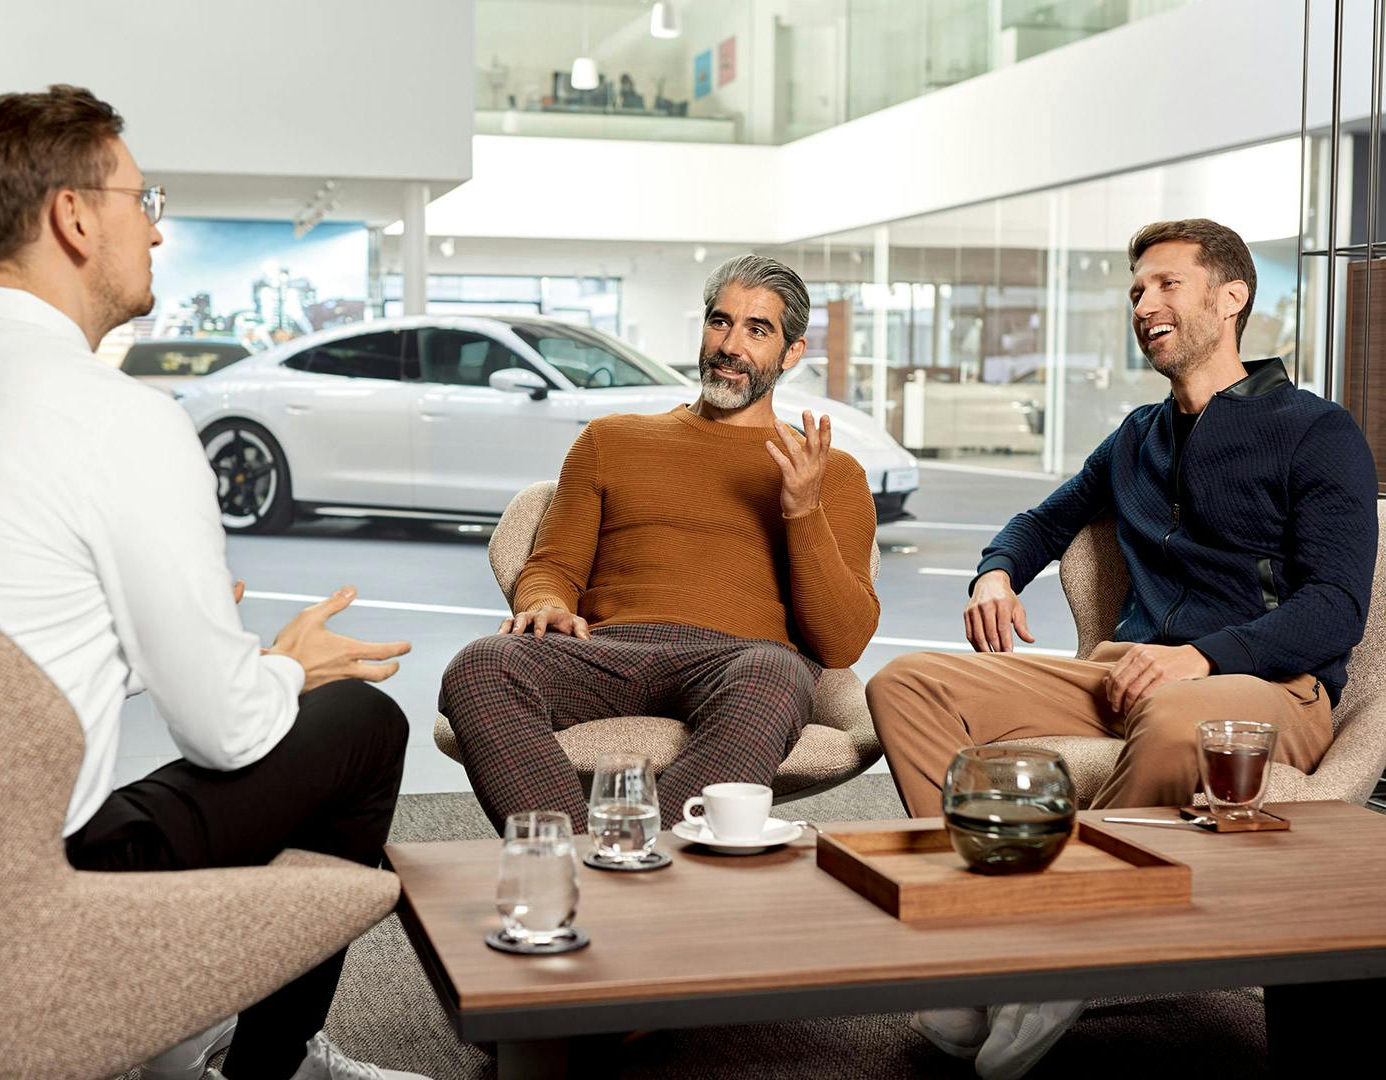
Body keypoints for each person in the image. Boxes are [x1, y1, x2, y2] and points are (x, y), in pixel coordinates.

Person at [0, 86, 425, 1080]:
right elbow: (228, 731)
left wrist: (119, 641)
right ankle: (266, 1063)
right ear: (74, 217)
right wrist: (285, 665)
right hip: (26, 895)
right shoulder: (118, 419)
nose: (157, 232)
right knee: (360, 726)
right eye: (140, 196)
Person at [866, 218, 1378, 1079]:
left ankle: (1065, 955)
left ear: (1232, 297)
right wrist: (995, 574)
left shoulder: (1316, 430)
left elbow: (1336, 608)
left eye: (1167, 285)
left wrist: (1204, 656)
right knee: (908, 684)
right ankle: (976, 932)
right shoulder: (1136, 434)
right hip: (1123, 673)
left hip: (1268, 691)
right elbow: (1043, 520)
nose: (1144, 305)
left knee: (1177, 715)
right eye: (1137, 290)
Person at [439, 254, 880, 834]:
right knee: (479, 665)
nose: (731, 345)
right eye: (720, 322)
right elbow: (552, 567)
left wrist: (802, 509)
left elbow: (840, 641)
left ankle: (651, 861)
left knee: (775, 674)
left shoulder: (831, 471)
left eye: (758, 329)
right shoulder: (611, 440)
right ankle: (574, 858)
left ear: (792, 352)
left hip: (739, 661)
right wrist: (543, 601)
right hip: (606, 650)